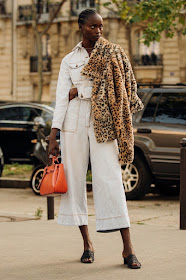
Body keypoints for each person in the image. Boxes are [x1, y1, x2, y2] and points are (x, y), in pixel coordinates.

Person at [48, 9, 143, 269]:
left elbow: (120, 86)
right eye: (93, 26)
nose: (98, 31)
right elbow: (60, 98)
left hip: (104, 125)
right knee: (76, 182)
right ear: (81, 27)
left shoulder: (113, 53)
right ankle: (87, 244)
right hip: (73, 125)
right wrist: (53, 134)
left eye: (101, 27)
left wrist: (79, 90)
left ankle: (128, 249)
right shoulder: (69, 59)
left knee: (111, 181)